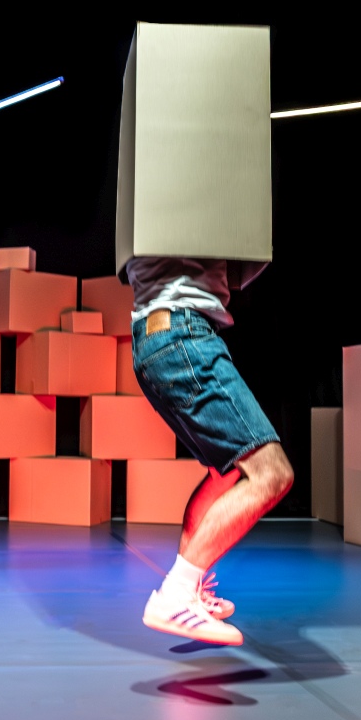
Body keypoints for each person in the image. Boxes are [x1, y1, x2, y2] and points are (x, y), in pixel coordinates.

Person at [128, 256, 294, 646]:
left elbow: (230, 273)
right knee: (272, 474)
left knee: (227, 471)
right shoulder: (176, 224)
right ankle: (176, 594)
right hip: (183, 334)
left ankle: (190, 592)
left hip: (155, 336)